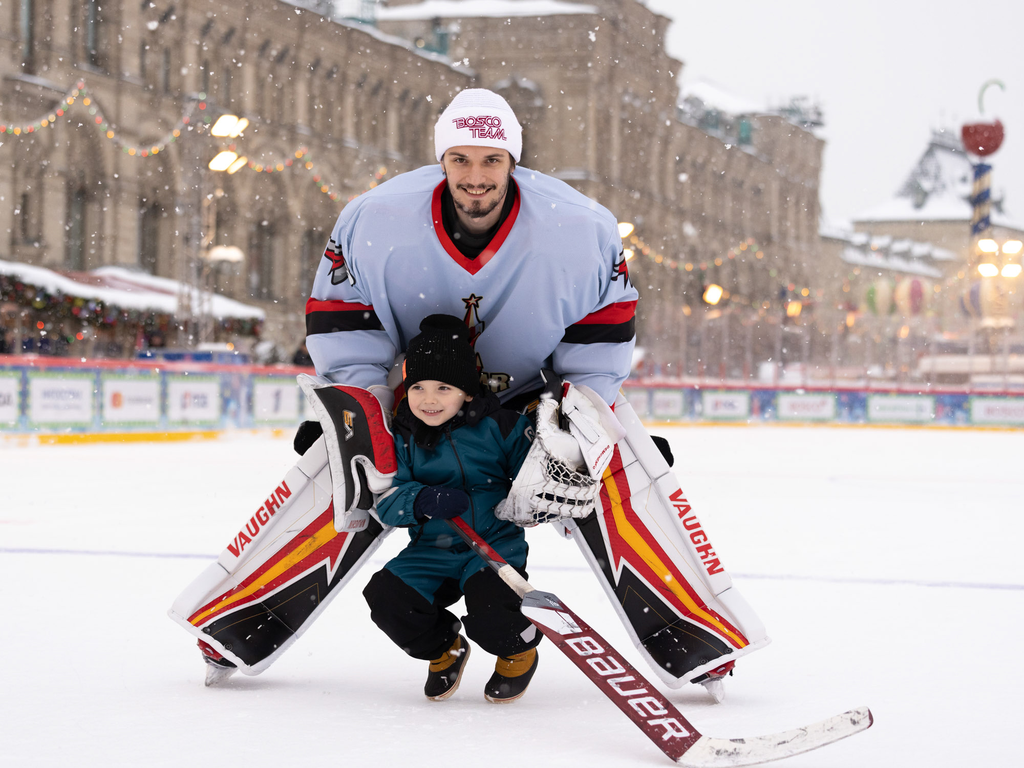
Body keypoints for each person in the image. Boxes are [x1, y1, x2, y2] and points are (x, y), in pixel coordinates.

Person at [362, 314, 538, 702]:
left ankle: (517, 649)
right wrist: (421, 500)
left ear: (469, 393)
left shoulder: (500, 427)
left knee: (492, 611)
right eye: (418, 387)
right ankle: (445, 647)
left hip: (492, 546)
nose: (429, 399)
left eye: (444, 387)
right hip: (431, 549)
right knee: (387, 597)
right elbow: (386, 499)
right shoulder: (403, 438)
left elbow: (541, 468)